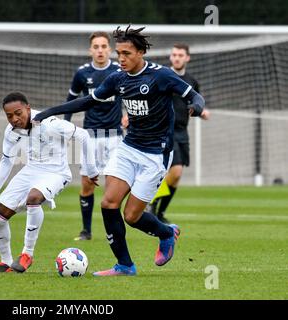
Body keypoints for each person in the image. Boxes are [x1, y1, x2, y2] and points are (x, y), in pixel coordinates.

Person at [33, 26, 206, 276]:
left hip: (156, 154)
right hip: (128, 147)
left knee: (132, 216)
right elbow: (90, 100)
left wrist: (197, 106)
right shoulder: (118, 78)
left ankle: (167, 233)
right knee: (108, 203)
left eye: (126, 53)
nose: (121, 58)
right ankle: (125, 265)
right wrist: (51, 111)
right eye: (119, 53)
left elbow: (194, 96)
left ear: (141, 52)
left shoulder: (161, 75)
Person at [0, 92, 98, 273]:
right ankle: (6, 262)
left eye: (18, 113)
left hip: (56, 172)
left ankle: (27, 254)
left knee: (33, 198)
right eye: (9, 115)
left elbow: (83, 135)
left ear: (28, 108)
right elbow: (6, 161)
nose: (15, 119)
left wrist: (91, 170)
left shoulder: (50, 123)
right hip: (30, 171)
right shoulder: (11, 132)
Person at [64, 31, 125, 241]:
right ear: (91, 50)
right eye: (96, 47)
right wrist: (65, 126)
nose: (100, 50)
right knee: (87, 183)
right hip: (90, 135)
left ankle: (113, 230)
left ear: (109, 49)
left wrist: (129, 117)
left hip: (115, 136)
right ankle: (86, 231)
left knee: (112, 188)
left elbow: (132, 95)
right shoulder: (82, 73)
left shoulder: (119, 70)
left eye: (103, 46)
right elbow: (70, 100)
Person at [148, 43, 210, 223]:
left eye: (180, 55)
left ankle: (159, 212)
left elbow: (195, 104)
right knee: (175, 172)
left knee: (176, 178)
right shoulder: (163, 77)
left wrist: (201, 112)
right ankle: (151, 204)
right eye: (174, 55)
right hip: (165, 131)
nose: (176, 58)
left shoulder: (192, 81)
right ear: (170, 57)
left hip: (183, 131)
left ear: (187, 58)